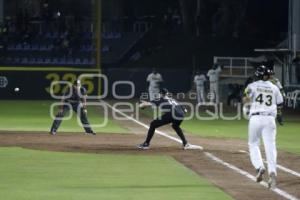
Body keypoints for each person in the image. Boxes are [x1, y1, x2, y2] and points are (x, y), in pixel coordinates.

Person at [243, 65, 284, 189]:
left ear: (257, 74)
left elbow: (246, 99)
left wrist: (246, 108)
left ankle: (259, 167)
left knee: (253, 144)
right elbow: (281, 103)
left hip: (255, 118)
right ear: (268, 75)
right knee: (270, 147)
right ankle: (272, 172)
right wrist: (280, 115)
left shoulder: (252, 86)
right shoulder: (274, 87)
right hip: (270, 119)